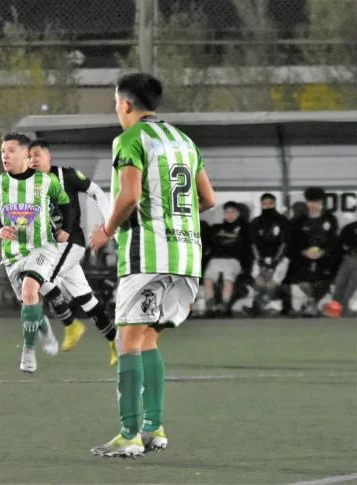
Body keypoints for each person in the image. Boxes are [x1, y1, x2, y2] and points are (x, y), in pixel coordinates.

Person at [89, 72, 216, 457]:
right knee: (148, 339)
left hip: (147, 256)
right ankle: (153, 427)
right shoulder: (184, 141)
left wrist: (105, 231)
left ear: (125, 104)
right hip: (187, 256)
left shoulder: (129, 139)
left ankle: (128, 435)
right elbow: (207, 198)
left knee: (127, 341)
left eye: (116, 102)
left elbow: (128, 196)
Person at [0, 133, 69, 374]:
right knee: (29, 302)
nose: (4, 155)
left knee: (30, 290)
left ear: (26, 154)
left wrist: (66, 229)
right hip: (13, 256)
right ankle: (43, 327)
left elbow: (66, 205)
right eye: (2, 151)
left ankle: (28, 350)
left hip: (42, 248)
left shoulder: (46, 182)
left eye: (10, 150)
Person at [28, 138, 118, 365]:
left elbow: (96, 191)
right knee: (86, 298)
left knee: (39, 278)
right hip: (51, 248)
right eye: (29, 156)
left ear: (48, 156)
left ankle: (70, 323)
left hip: (70, 244)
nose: (33, 160)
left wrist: (108, 225)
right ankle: (115, 341)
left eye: (37, 154)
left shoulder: (66, 175)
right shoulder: (29, 184)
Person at [286, 187, 340, 317]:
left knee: (324, 282)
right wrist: (304, 251)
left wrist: (323, 251)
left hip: (325, 259)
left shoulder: (330, 219)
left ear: (321, 202)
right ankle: (312, 305)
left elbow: (334, 241)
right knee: (302, 280)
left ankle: (311, 305)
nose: (313, 205)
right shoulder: (299, 220)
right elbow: (293, 242)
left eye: (316, 202)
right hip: (303, 259)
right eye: (310, 202)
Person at [202, 201, 251, 317]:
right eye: (227, 212)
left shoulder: (244, 229)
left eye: (232, 212)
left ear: (238, 213)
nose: (229, 215)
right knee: (208, 279)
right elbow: (209, 246)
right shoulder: (216, 228)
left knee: (227, 279)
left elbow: (246, 249)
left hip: (233, 260)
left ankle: (223, 307)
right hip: (216, 260)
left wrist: (247, 266)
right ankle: (210, 308)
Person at [245, 193, 290, 316]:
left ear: (275, 204)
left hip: (279, 260)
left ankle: (262, 306)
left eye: (270, 203)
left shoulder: (283, 221)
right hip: (261, 260)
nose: (267, 206)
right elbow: (253, 244)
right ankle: (264, 307)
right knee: (259, 284)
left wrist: (274, 264)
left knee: (271, 285)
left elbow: (284, 244)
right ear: (261, 205)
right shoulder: (256, 222)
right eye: (264, 204)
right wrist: (261, 263)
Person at [322, 220, 357, 317]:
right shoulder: (350, 227)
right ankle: (335, 309)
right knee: (340, 283)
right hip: (349, 258)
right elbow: (340, 244)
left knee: (351, 287)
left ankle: (344, 311)